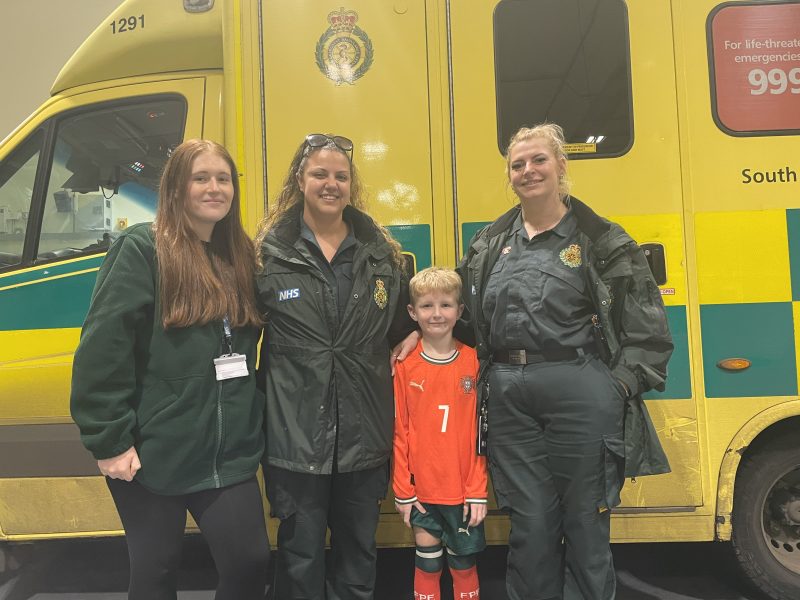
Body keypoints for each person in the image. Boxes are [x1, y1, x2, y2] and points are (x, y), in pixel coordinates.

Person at [459, 123, 673, 600]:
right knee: (529, 528)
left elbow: (649, 333)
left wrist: (614, 386)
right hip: (509, 398)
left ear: (561, 166)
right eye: (518, 164)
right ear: (509, 175)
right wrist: (413, 338)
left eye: (538, 160)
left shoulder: (601, 239)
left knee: (585, 524)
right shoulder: (490, 243)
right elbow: (461, 316)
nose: (528, 171)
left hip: (581, 391)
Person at [70, 139, 270, 600]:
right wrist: (110, 440)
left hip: (227, 453)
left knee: (249, 563)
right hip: (152, 450)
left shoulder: (240, 253)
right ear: (176, 187)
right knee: (157, 571)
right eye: (200, 178)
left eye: (223, 179)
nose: (214, 188)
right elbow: (104, 347)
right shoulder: (142, 248)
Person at [254, 133, 416, 600]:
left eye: (340, 176)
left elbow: (403, 322)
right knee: (299, 555)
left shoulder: (381, 255)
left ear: (351, 185)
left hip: (363, 436)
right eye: (320, 174)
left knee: (358, 553)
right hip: (294, 436)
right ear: (300, 181)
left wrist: (409, 337)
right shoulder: (268, 256)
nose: (331, 184)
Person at [393, 266, 487, 600]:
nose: (436, 314)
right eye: (427, 306)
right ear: (412, 312)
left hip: (463, 493)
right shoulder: (404, 365)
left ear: (460, 311)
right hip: (422, 493)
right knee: (427, 565)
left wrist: (477, 489)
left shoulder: (474, 362)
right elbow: (399, 432)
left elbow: (481, 433)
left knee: (464, 566)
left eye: (446, 305)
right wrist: (404, 490)